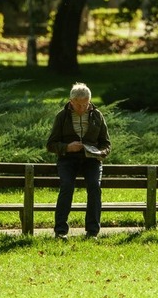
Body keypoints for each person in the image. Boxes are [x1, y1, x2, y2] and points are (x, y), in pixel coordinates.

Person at [45, 82, 111, 238]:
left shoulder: (97, 115)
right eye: (79, 105)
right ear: (71, 101)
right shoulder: (62, 116)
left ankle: (92, 231)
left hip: (91, 160)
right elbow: (51, 144)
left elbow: (106, 143)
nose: (83, 108)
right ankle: (60, 231)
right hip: (68, 160)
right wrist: (68, 147)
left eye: (86, 104)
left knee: (94, 187)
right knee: (67, 186)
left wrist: (101, 152)